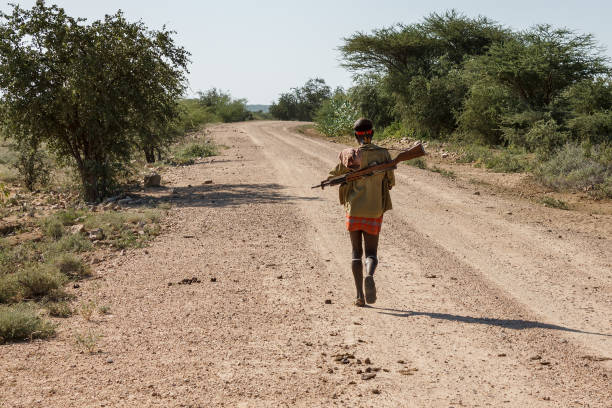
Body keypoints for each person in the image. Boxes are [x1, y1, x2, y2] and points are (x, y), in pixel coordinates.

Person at [328, 118, 395, 307]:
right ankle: (369, 274)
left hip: (354, 211)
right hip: (374, 211)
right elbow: (391, 182)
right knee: (371, 253)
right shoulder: (383, 154)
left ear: (356, 136)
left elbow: (332, 177)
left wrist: (346, 179)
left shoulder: (349, 155)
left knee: (356, 253)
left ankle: (359, 295)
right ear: (372, 133)